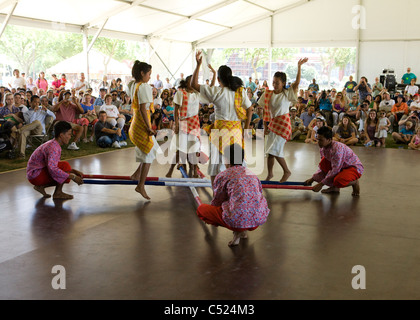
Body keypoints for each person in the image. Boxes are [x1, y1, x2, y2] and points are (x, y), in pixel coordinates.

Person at [191, 51, 253, 186]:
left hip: (219, 133)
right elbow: (250, 109)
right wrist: (247, 127)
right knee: (236, 164)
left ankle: (216, 195)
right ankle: (235, 191)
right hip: (236, 133)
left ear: (218, 79)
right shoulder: (240, 92)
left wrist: (198, 65)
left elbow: (193, 84)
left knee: (215, 165)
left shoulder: (217, 92)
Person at [196, 143, 270, 247]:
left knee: (201, 209)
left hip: (237, 221)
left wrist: (210, 215)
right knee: (241, 204)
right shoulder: (251, 174)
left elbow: (217, 200)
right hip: (257, 219)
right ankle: (242, 232)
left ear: (226, 159)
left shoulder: (223, 175)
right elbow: (258, 195)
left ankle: (238, 231)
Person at [260, 58, 308, 182]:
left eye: (277, 83)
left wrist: (299, 67)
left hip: (284, 125)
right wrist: (265, 127)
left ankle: (287, 171)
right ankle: (270, 174)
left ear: (283, 83)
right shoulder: (268, 94)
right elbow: (264, 111)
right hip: (272, 124)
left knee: (274, 150)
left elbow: (297, 83)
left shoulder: (287, 94)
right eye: (273, 82)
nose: (274, 85)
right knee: (269, 152)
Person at [26, 121, 84, 199]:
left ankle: (41, 187)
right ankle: (58, 193)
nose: (70, 137)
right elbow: (53, 169)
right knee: (64, 167)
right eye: (69, 134)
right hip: (35, 176)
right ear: (61, 135)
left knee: (64, 168)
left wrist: (73, 171)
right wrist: (73, 176)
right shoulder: (54, 147)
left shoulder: (54, 144)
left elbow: (53, 165)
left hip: (34, 173)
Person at [128, 61, 159, 200]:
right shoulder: (144, 87)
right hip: (141, 125)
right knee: (148, 155)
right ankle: (141, 185)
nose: (149, 77)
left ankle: (136, 175)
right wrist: (149, 127)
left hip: (136, 123)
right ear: (142, 73)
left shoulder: (133, 85)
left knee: (151, 151)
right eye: (149, 74)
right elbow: (142, 108)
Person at [304, 126, 363, 196]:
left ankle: (354, 182)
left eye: (321, 140)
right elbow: (323, 168)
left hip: (353, 167)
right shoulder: (323, 148)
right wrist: (313, 179)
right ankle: (334, 188)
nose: (318, 142)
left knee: (338, 181)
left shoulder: (337, 150)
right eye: (318, 139)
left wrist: (321, 184)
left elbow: (335, 170)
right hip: (341, 166)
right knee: (323, 163)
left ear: (329, 140)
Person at [166, 75, 201, 179]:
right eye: (191, 81)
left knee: (194, 147)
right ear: (186, 83)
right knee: (180, 149)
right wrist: (176, 124)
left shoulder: (197, 93)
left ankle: (194, 170)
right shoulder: (180, 93)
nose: (194, 83)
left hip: (194, 122)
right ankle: (170, 170)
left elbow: (211, 88)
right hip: (184, 122)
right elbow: (175, 110)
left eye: (195, 81)